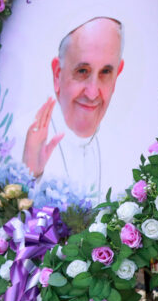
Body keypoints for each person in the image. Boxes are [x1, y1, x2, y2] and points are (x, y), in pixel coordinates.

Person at [22, 17, 124, 202]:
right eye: (82, 71)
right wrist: (30, 175)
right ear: (57, 74)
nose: (92, 93)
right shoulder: (20, 135)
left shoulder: (125, 149)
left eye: (106, 72)